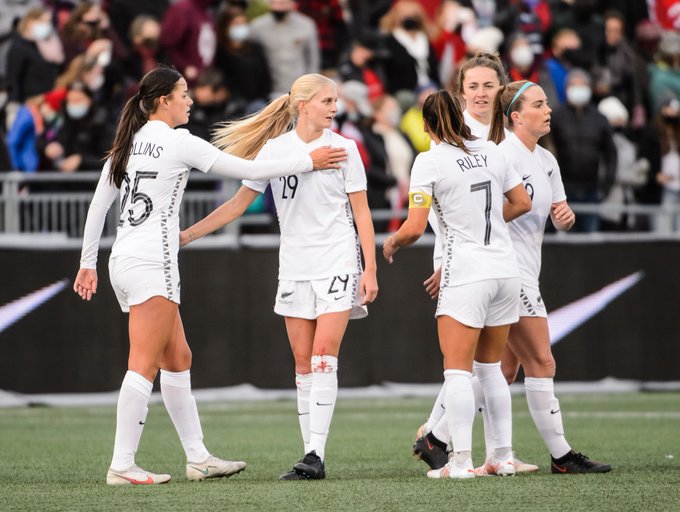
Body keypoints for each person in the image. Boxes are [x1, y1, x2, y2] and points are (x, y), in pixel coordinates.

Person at [72, 65, 346, 485]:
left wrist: (87, 262)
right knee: (143, 365)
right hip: (153, 262)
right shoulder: (177, 142)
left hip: (122, 260)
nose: (191, 100)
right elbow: (248, 172)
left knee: (178, 358)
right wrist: (307, 160)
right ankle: (122, 464)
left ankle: (198, 457)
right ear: (164, 100)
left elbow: (97, 206)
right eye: (184, 94)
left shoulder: (128, 142)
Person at [179, 73, 379, 480]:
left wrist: (369, 268)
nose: (334, 107)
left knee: (324, 357)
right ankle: (310, 455)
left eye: (335, 101)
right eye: (326, 100)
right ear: (302, 105)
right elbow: (237, 204)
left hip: (338, 260)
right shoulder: (274, 149)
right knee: (303, 363)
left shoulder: (344, 148)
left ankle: (315, 454)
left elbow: (362, 213)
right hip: (294, 265)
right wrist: (187, 235)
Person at [383, 89, 531, 479]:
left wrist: (393, 241)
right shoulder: (493, 151)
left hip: (466, 272)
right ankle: (501, 457)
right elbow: (522, 203)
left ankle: (461, 462)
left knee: (457, 372)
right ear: (462, 117)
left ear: (427, 125)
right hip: (505, 269)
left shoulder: (429, 161)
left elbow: (415, 228)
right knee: (491, 369)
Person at [485, 79, 612, 474]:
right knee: (542, 360)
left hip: (526, 270)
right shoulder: (498, 156)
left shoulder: (546, 160)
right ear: (516, 117)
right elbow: (482, 215)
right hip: (507, 271)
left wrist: (566, 218)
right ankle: (561, 455)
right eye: (540, 104)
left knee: (503, 369)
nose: (549, 109)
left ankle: (439, 436)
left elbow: (560, 216)